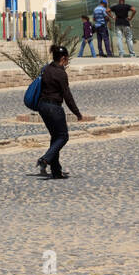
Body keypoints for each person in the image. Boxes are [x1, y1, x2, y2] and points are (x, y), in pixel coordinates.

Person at [35, 44, 82, 179]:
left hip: (42, 106)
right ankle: (45, 159)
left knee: (55, 138)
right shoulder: (61, 73)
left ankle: (56, 171)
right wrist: (77, 112)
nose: (67, 62)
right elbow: (67, 95)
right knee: (63, 136)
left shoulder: (47, 69)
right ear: (63, 59)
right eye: (66, 60)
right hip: (54, 107)